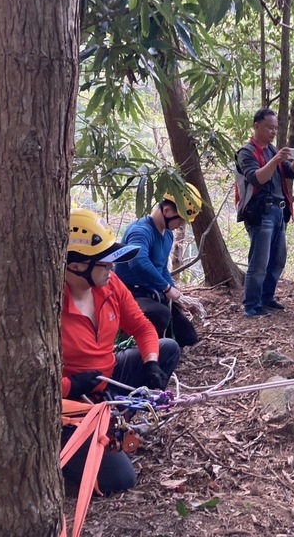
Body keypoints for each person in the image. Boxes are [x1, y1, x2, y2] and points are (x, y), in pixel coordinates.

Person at [62, 208, 180, 494]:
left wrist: (151, 363)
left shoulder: (110, 285)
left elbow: (142, 326)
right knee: (120, 479)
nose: (112, 269)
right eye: (105, 263)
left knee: (167, 349)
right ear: (76, 266)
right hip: (68, 404)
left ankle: (114, 422)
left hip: (106, 380)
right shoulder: (50, 305)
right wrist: (69, 386)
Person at [234, 108, 294, 317]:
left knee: (277, 259)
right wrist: (275, 161)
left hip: (279, 211)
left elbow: (289, 173)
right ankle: (251, 304)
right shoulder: (246, 152)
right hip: (260, 212)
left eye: (275, 128)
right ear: (257, 126)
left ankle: (267, 297)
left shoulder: (273, 150)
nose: (273, 132)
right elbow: (257, 178)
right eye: (269, 127)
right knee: (259, 261)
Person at [114, 184, 202, 347]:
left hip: (152, 293)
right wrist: (167, 289)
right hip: (129, 294)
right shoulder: (141, 231)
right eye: (180, 219)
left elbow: (161, 268)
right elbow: (138, 262)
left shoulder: (167, 234)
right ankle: (133, 343)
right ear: (167, 211)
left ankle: (159, 341)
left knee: (188, 336)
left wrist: (176, 294)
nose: (181, 225)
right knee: (160, 315)